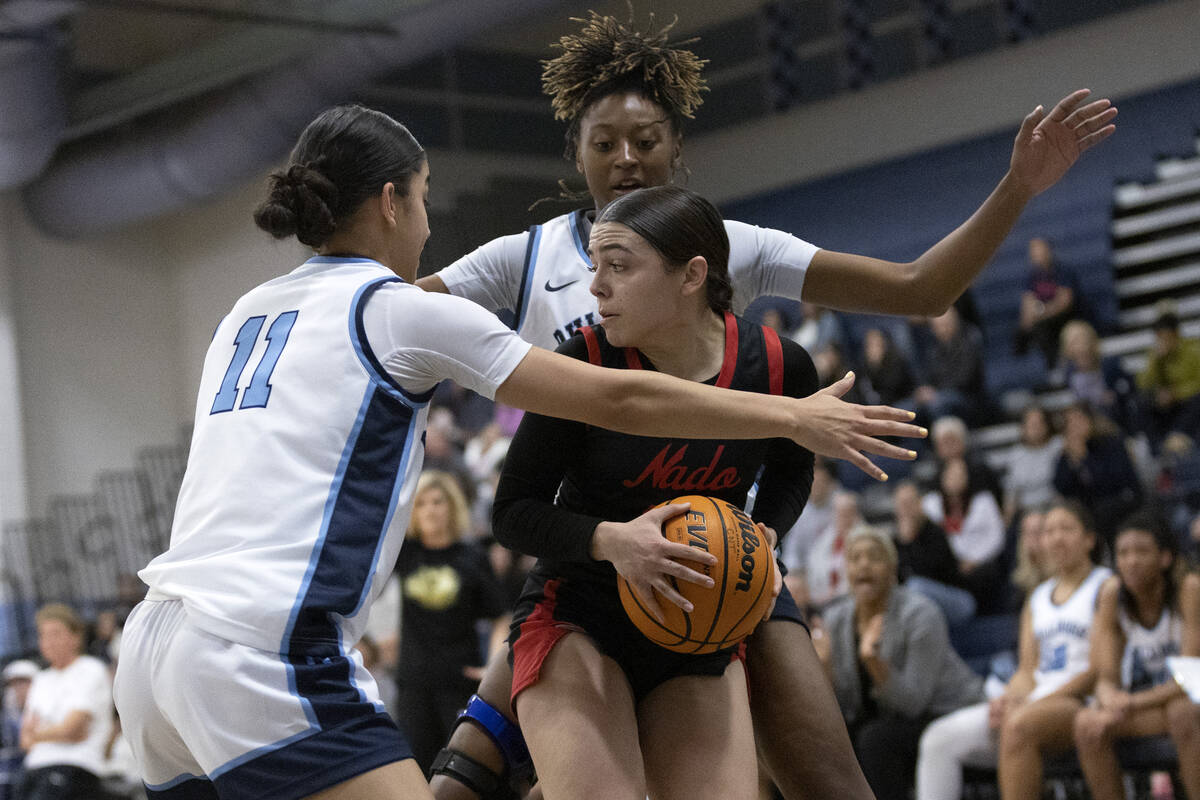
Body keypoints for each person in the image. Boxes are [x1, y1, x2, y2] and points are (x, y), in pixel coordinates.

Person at [110, 104, 916, 800]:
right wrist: (790, 417)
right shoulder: (395, 310)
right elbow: (621, 398)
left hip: (153, 653)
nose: (428, 224)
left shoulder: (246, 313)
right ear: (391, 202)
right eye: (423, 199)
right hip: (261, 648)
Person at [415, 10, 1115, 799]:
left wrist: (1019, 186)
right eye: (603, 141)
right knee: (464, 784)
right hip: (590, 550)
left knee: (830, 782)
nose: (626, 159)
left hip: (712, 553)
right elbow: (392, 314)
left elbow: (923, 290)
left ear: (678, 151)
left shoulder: (728, 244)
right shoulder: (526, 256)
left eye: (646, 140)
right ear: (574, 151)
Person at [492, 184, 817, 799]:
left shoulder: (778, 367)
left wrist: (768, 530)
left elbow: (791, 468)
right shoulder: (582, 360)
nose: (595, 287)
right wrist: (614, 541)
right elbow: (511, 512)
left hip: (702, 621)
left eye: (619, 267)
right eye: (595, 268)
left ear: (691, 275)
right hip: (581, 612)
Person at [914, 500, 1111, 800]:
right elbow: (1026, 671)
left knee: (1018, 725)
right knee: (937, 738)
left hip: (1081, 700)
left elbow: (1097, 670)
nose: (1057, 537)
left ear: (1089, 539)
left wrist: (1032, 703)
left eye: (1067, 529)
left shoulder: (1105, 586)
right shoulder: (1038, 597)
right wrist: (1007, 699)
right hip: (1035, 702)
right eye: (1050, 531)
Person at [813, 526, 985, 800]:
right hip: (886, 718)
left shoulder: (921, 614)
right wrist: (824, 669)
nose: (864, 564)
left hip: (945, 711)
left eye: (874, 557)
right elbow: (847, 707)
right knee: (822, 739)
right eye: (855, 558)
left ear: (892, 569)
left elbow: (913, 703)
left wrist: (874, 662)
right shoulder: (837, 619)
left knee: (876, 739)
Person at [1073, 511, 1200, 800]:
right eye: (1123, 553)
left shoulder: (1188, 588)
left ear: (1165, 557)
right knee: (1086, 723)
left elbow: (1192, 678)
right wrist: (1108, 701)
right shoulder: (1112, 596)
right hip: (1156, 702)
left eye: (1141, 551)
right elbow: (1105, 675)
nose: (1131, 561)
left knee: (1182, 712)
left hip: (1192, 697)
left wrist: (1129, 701)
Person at [396, 471, 509, 775]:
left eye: (438, 502)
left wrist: (492, 666)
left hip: (460, 681)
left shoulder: (472, 556)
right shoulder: (404, 554)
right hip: (413, 684)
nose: (430, 510)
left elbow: (500, 615)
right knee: (416, 773)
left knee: (462, 773)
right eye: (421, 504)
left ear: (452, 507)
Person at [19, 604, 114, 800]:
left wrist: (37, 733)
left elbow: (74, 730)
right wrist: (55, 732)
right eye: (43, 635)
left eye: (56, 634)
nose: (49, 642)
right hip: (33, 768)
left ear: (76, 636)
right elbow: (24, 740)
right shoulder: (40, 679)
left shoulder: (90, 670)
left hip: (76, 767)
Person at [922, 457, 1006, 611]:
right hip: (946, 567)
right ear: (942, 477)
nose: (955, 480)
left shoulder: (983, 501)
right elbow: (928, 538)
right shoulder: (930, 504)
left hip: (979, 565)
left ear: (968, 477)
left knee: (988, 574)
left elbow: (997, 536)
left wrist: (974, 560)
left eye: (960, 475)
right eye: (951, 475)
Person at [1054, 400, 1143, 547]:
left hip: (1124, 500)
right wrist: (1074, 461)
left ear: (1089, 420)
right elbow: (1061, 486)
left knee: (1100, 514)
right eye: (1069, 423)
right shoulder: (1068, 453)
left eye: (1078, 420)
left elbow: (1112, 481)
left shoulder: (1112, 443)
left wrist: (1084, 459)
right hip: (1091, 510)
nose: (1074, 427)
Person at [892, 479, 975, 626]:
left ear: (919, 504)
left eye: (909, 502)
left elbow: (929, 572)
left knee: (916, 586)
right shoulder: (895, 540)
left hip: (957, 599)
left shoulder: (935, 532)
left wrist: (909, 542)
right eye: (902, 504)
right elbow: (896, 578)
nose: (906, 509)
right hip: (920, 605)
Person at [1059, 319, 1138, 434]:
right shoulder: (1069, 373)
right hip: (1089, 427)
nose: (1080, 347)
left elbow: (1131, 391)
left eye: (1082, 340)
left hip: (1118, 423)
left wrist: (1116, 396)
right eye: (1074, 342)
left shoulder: (1110, 365)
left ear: (1092, 341)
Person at [1137, 309, 1200, 453]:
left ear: (1176, 334)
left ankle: (1177, 435)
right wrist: (1155, 361)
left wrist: (1176, 394)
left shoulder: (1194, 349)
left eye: (1165, 336)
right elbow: (1143, 384)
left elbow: (1198, 383)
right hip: (1169, 405)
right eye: (1159, 337)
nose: (1162, 341)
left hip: (1188, 402)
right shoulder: (1156, 355)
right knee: (1142, 401)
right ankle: (1157, 448)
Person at [1014, 237, 1079, 369]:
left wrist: (1042, 314)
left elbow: (1065, 303)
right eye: (1033, 251)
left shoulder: (1062, 271)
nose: (1037, 255)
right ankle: (1020, 370)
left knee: (1042, 328)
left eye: (1039, 250)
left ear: (1049, 250)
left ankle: (1054, 367)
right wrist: (1027, 320)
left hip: (1064, 317)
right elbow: (1027, 302)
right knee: (1020, 332)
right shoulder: (1032, 276)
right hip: (1042, 318)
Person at [1002, 404, 1063, 527]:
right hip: (1027, 513)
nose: (1036, 427)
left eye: (1039, 423)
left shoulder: (1058, 446)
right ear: (1023, 428)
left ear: (1047, 425)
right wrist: (1007, 522)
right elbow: (1011, 493)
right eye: (1031, 424)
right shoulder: (1015, 455)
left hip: (1055, 508)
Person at [1, 659, 37, 800]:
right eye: (15, 683)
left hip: (35, 763)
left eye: (24, 682)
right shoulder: (8, 712)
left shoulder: (44, 705)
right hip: (11, 765)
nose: (19, 688)